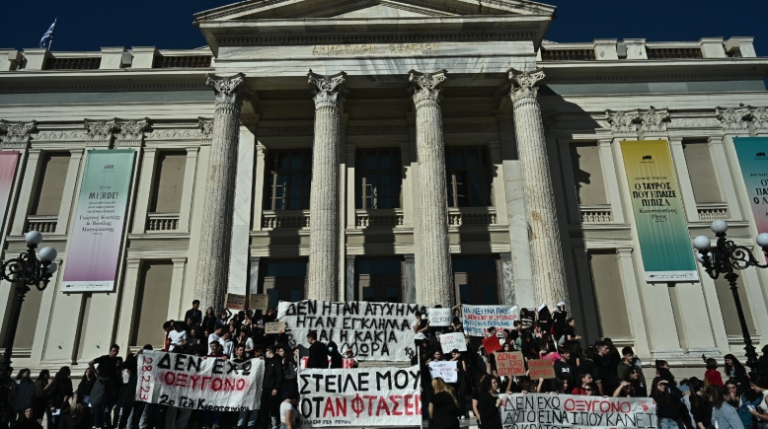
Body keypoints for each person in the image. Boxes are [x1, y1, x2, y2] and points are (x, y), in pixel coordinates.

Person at [88, 344, 121, 429]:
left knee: (105, 404)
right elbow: (91, 362)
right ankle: (97, 424)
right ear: (110, 351)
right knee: (97, 403)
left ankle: (102, 423)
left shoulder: (116, 361)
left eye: (116, 351)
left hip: (110, 384)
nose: (115, 353)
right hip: (102, 382)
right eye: (113, 351)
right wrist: (95, 373)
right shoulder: (104, 358)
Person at [234, 345, 259, 429]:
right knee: (243, 406)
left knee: (252, 404)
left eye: (243, 350)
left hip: (249, 386)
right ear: (236, 351)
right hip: (238, 387)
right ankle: (240, 423)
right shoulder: (232, 362)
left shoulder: (249, 361)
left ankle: (251, 424)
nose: (242, 352)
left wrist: (260, 360)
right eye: (240, 350)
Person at [262, 346, 284, 429]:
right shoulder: (267, 361)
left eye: (267, 351)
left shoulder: (277, 361)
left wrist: (276, 388)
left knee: (273, 407)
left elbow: (280, 376)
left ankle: (274, 424)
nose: (266, 353)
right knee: (264, 408)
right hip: (265, 388)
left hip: (272, 388)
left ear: (270, 351)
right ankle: (263, 425)